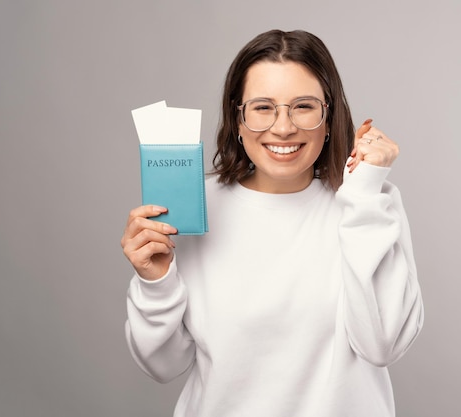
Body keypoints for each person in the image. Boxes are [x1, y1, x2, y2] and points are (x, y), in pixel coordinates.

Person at [121, 29, 424, 417]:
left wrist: (364, 194)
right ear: (239, 119)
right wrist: (156, 284)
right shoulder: (194, 207)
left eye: (304, 106)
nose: (283, 128)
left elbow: (383, 345)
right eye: (263, 107)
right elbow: (163, 366)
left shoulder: (370, 205)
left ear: (329, 116)